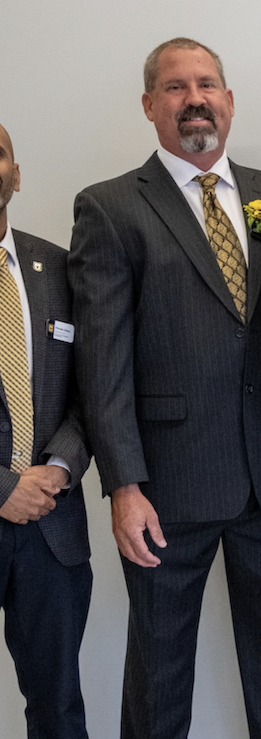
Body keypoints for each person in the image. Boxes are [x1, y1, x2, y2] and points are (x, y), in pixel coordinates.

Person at [67, 38, 261, 739]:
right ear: (150, 106)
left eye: (207, 84)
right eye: (175, 88)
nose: (194, 98)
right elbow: (102, 363)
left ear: (230, 101)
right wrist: (124, 486)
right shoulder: (112, 207)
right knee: (159, 671)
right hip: (164, 488)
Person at [0, 121, 92, 737]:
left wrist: (58, 467)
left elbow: (95, 388)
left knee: (57, 706)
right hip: (10, 495)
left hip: (49, 525)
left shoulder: (56, 266)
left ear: (16, 172)